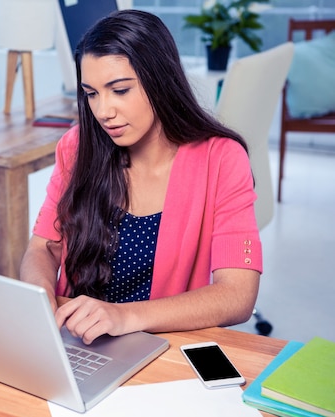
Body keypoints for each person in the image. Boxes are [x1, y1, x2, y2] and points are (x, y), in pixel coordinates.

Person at [19, 9, 262, 345]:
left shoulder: (220, 159)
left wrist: (123, 316)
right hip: (75, 341)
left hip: (158, 347)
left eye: (119, 90)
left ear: (160, 80)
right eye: (91, 93)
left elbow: (237, 295)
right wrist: (40, 293)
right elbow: (43, 249)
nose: (103, 111)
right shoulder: (77, 146)